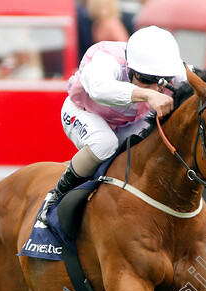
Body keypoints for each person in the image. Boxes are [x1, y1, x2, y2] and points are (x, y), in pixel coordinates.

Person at [37, 25, 186, 224]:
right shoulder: (107, 59)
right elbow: (100, 89)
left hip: (128, 122)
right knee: (104, 143)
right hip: (84, 112)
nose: (154, 87)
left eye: (162, 81)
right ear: (129, 66)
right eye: (145, 79)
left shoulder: (173, 69)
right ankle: (55, 196)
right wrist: (147, 94)